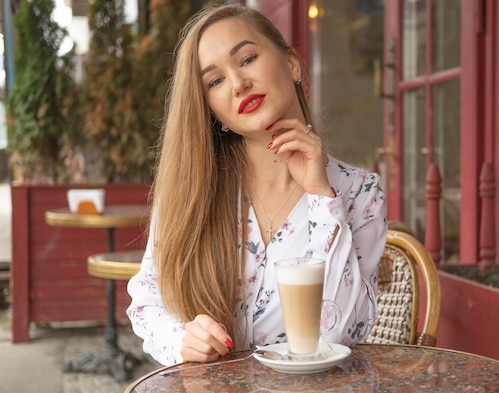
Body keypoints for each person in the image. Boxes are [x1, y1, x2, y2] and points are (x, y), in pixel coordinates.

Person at [126, 3, 387, 366]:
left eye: (247, 59)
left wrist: (319, 195)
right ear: (211, 111)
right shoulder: (191, 194)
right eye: (215, 81)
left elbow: (337, 333)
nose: (238, 83)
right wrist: (181, 340)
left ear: (292, 64)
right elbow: (146, 302)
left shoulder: (359, 193)